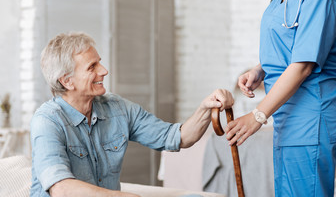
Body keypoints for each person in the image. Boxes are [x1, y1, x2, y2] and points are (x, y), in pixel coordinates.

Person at [30, 32, 234, 197]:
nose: (104, 70)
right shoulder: (47, 121)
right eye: (92, 67)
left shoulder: (117, 108)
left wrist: (205, 108)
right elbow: (61, 189)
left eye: (99, 62)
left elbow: (178, 137)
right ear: (67, 81)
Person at [225, 0, 336, 196]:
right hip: (288, 119)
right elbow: (289, 42)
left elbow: (304, 64)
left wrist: (258, 115)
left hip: (311, 119)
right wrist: (259, 69)